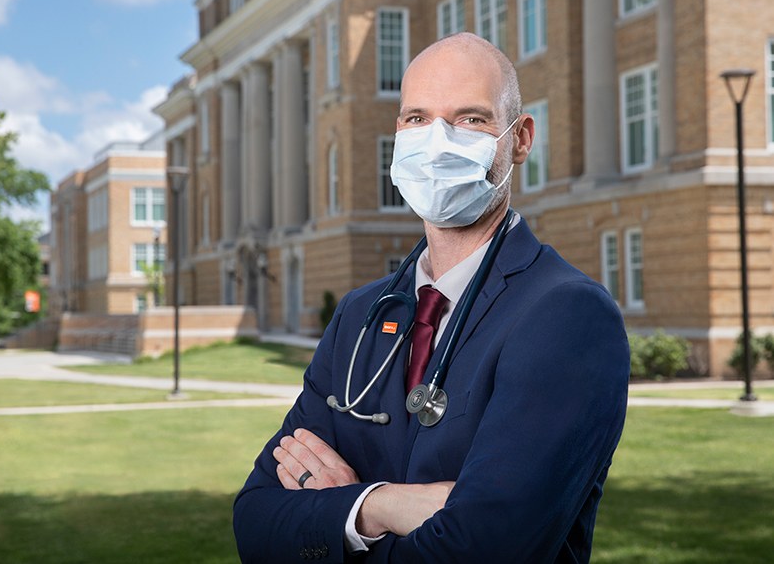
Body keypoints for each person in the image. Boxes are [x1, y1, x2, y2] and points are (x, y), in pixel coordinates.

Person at [233, 32, 629, 563]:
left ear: (520, 139)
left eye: (470, 119)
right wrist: (381, 506)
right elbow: (256, 522)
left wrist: (336, 516)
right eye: (417, 119)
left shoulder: (567, 315)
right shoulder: (360, 316)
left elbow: (488, 550)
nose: (437, 140)